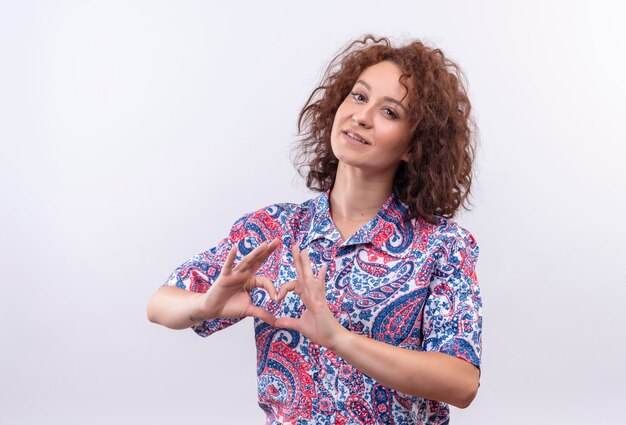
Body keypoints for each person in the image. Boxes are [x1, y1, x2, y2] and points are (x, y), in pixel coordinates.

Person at [147, 34, 482, 424]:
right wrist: (205, 305)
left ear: (414, 146)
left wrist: (340, 339)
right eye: (359, 96)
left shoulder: (443, 245)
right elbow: (160, 304)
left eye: (390, 112)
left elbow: (461, 383)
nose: (362, 115)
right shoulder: (276, 229)